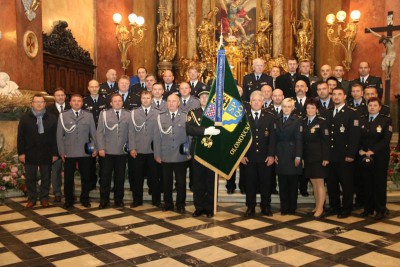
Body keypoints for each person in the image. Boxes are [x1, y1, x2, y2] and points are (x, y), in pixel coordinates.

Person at [56, 94, 98, 209]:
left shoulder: (88, 116)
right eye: (74, 101)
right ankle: (69, 199)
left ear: (82, 103)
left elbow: (93, 134)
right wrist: (61, 151)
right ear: (70, 103)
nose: (76, 103)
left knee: (86, 177)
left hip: (85, 152)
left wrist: (95, 148)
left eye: (79, 101)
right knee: (68, 178)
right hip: (69, 152)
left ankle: (85, 199)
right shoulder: (63, 116)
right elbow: (59, 136)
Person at [18, 94, 58, 208]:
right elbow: (20, 137)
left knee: (46, 177)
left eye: (41, 102)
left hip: (47, 152)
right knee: (30, 177)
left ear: (45, 104)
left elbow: (55, 137)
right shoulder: (25, 118)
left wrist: (55, 153)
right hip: (30, 152)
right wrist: (21, 153)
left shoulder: (52, 118)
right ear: (32, 104)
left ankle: (44, 198)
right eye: (36, 102)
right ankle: (31, 199)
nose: (39, 104)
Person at [327, 87, 361, 218]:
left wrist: (351, 154)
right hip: (330, 155)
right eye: (334, 94)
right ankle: (334, 206)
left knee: (346, 184)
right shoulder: (328, 112)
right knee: (332, 183)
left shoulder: (352, 113)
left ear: (345, 96)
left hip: (344, 155)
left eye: (339, 94)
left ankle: (347, 208)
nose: (336, 97)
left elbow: (355, 136)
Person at [186, 90, 220, 218]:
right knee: (198, 180)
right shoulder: (193, 113)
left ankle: (210, 207)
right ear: (199, 99)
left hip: (212, 151)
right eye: (202, 97)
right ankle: (199, 207)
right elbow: (189, 129)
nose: (205, 98)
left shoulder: (216, 113)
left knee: (210, 180)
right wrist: (205, 130)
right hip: (198, 150)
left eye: (207, 96)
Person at [241, 91, 276, 217]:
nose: (256, 102)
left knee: (266, 183)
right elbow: (240, 137)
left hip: (265, 157)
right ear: (250, 102)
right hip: (248, 157)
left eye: (258, 100)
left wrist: (271, 154)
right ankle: (250, 207)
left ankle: (265, 206)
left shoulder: (270, 117)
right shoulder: (243, 116)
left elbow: (273, 138)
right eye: (254, 100)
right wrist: (241, 155)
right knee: (250, 183)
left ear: (263, 102)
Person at [154, 94, 189, 213]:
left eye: (174, 101)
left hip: (180, 155)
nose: (171, 103)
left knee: (181, 182)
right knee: (166, 181)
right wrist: (157, 154)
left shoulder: (185, 116)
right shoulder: (160, 117)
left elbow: (189, 136)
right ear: (166, 103)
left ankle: (180, 204)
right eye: (169, 101)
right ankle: (168, 203)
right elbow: (157, 137)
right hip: (165, 154)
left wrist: (189, 152)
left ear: (178, 103)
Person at [359, 97, 392, 220]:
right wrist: (361, 150)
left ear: (379, 107)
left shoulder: (386, 120)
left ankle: (380, 209)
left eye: (374, 105)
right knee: (366, 183)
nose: (372, 107)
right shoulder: (362, 120)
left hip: (379, 157)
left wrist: (373, 151)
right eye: (370, 105)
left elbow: (386, 139)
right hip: (364, 157)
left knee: (379, 183)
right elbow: (358, 137)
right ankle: (368, 208)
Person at [96, 94, 130, 209]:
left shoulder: (128, 114)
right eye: (115, 101)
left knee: (119, 178)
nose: (117, 103)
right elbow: (99, 132)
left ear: (122, 102)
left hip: (121, 151)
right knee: (105, 177)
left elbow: (130, 133)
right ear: (111, 103)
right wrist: (100, 148)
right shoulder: (104, 114)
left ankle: (118, 200)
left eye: (119, 101)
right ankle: (104, 200)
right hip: (107, 151)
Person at [129, 91, 161, 208]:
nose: (146, 100)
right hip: (138, 150)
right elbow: (131, 132)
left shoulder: (158, 113)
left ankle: (156, 200)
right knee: (137, 177)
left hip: (153, 151)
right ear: (140, 99)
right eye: (144, 98)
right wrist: (132, 147)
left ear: (151, 99)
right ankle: (137, 200)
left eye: (148, 98)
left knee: (154, 177)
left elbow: (160, 133)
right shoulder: (134, 113)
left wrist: (159, 151)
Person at [274, 98, 303, 215]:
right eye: (284, 106)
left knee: (292, 184)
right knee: (282, 183)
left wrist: (298, 156)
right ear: (281, 107)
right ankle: (284, 207)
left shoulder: (297, 120)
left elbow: (299, 140)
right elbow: (274, 139)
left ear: (293, 108)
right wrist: (274, 153)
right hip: (280, 154)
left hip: (292, 155)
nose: (286, 109)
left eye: (289, 107)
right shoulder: (277, 119)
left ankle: (292, 207)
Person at [302, 100, 330, 218]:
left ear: (317, 109)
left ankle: (320, 208)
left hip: (319, 157)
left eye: (312, 108)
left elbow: (326, 141)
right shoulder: (303, 122)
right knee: (313, 183)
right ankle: (317, 205)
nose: (310, 110)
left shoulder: (321, 122)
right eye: (308, 108)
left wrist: (326, 157)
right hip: (308, 157)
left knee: (319, 183)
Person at [47, 87, 70, 202]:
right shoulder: (48, 110)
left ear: (65, 96)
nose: (60, 97)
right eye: (58, 95)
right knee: (55, 170)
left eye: (62, 95)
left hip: (70, 146)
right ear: (54, 97)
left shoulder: (71, 108)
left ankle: (68, 192)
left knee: (69, 171)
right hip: (55, 145)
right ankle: (57, 192)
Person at [83, 80, 107, 190]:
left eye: (96, 87)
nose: (94, 89)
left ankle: (103, 182)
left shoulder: (105, 101)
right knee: (89, 161)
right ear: (88, 88)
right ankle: (91, 183)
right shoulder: (84, 101)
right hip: (89, 136)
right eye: (91, 87)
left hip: (103, 135)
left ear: (99, 88)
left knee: (103, 161)